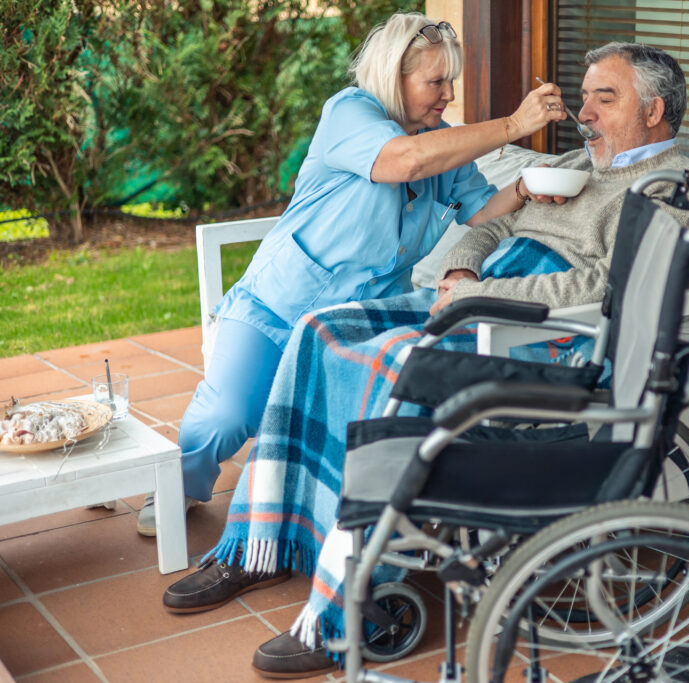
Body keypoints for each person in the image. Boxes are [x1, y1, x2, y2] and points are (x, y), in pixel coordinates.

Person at [161, 42, 689, 679]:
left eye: (605, 97)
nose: (584, 112)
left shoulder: (685, 194)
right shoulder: (573, 164)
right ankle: (261, 542)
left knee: (393, 365)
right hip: (477, 296)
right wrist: (464, 265)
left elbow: (601, 290)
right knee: (319, 332)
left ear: (653, 111)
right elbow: (494, 223)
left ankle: (347, 600)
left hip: (540, 331)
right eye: (585, 95)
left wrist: (482, 292)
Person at [135, 12, 568, 535]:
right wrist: (513, 126)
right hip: (281, 305)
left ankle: (319, 516)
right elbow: (403, 162)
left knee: (357, 419)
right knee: (229, 417)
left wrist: (522, 190)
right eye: (436, 82)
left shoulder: (441, 141)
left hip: (359, 322)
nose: (448, 95)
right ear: (395, 77)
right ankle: (180, 485)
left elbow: (480, 208)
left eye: (449, 81)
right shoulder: (349, 114)